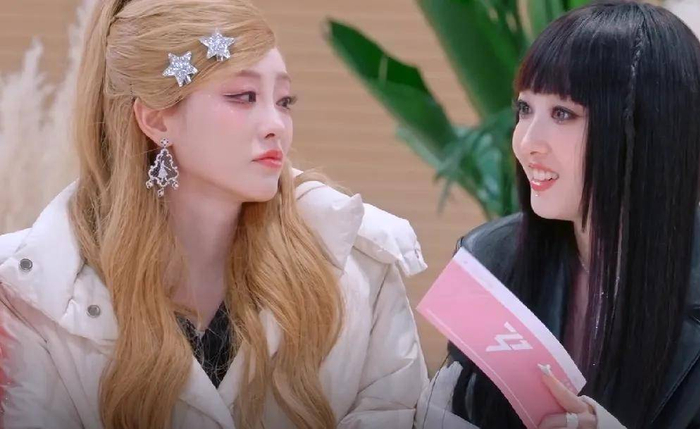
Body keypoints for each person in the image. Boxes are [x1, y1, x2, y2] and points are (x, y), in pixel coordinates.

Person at [0, 0, 429, 428]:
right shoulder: (32, 294)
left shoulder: (359, 268)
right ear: (156, 120)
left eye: (284, 100)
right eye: (243, 97)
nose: (276, 125)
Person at [416, 2, 700, 429]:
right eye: (525, 109)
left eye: (563, 114)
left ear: (646, 129)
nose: (527, 142)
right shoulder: (490, 260)